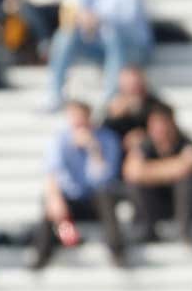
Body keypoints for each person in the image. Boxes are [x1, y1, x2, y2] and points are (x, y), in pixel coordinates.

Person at [45, 0, 152, 111]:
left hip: (133, 47)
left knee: (112, 32)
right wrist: (83, 19)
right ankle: (55, 93)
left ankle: (110, 98)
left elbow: (129, 16)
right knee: (65, 34)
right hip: (103, 46)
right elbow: (79, 11)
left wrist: (98, 17)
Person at [32, 100, 127, 270]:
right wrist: (55, 199)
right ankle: (51, 249)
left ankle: (116, 250)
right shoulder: (60, 141)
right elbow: (52, 173)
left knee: (106, 197)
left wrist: (93, 149)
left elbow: (105, 178)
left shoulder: (107, 139)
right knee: (51, 203)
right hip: (71, 201)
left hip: (96, 200)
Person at [122, 102, 192, 245]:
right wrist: (172, 169)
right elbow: (132, 172)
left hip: (181, 202)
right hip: (155, 201)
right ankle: (147, 229)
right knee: (135, 185)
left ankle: (185, 231)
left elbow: (188, 166)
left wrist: (148, 172)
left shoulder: (187, 143)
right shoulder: (145, 145)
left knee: (186, 183)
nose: (160, 130)